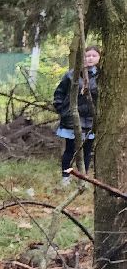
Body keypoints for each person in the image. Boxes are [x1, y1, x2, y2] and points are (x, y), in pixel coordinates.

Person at [54, 46, 100, 183]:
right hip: (72, 120)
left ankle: (83, 179)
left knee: (86, 151)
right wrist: (62, 109)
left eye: (94, 55)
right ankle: (65, 178)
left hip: (91, 120)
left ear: (99, 58)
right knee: (70, 150)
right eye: (87, 55)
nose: (90, 58)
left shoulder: (102, 77)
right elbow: (59, 93)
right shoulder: (71, 75)